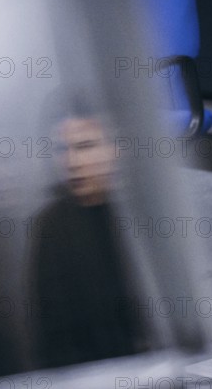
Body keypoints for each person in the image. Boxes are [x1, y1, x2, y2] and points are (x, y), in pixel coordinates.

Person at [28, 97, 146, 368]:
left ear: (115, 148)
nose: (72, 162)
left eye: (85, 146)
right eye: (61, 149)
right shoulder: (51, 225)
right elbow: (52, 331)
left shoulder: (143, 211)